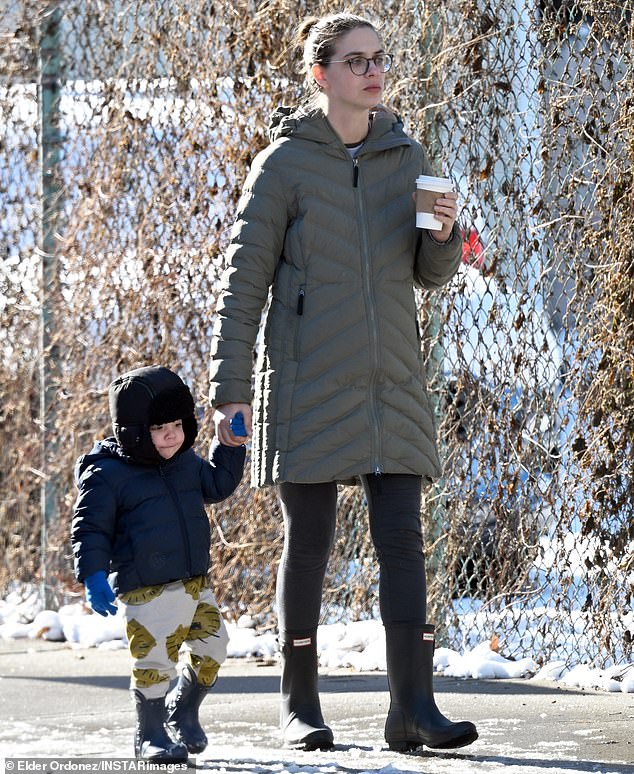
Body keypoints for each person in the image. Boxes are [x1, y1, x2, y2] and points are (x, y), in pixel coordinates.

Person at [208, 12, 478, 753]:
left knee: (403, 539)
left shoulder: (406, 155)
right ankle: (299, 704)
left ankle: (413, 707)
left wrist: (444, 236)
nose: (373, 72)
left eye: (378, 59)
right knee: (312, 541)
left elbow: (427, 276)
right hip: (308, 379)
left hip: (391, 378)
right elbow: (243, 285)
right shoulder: (284, 166)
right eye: (355, 61)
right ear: (320, 74)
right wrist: (230, 388)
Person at [71, 365, 246, 762]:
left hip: (193, 584)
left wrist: (230, 448)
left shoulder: (184, 462)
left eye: (178, 424)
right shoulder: (107, 474)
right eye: (159, 428)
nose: (172, 434)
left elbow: (217, 485)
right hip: (147, 588)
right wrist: (93, 574)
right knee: (154, 662)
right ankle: (149, 733)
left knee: (214, 646)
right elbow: (90, 528)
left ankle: (181, 710)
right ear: (133, 431)